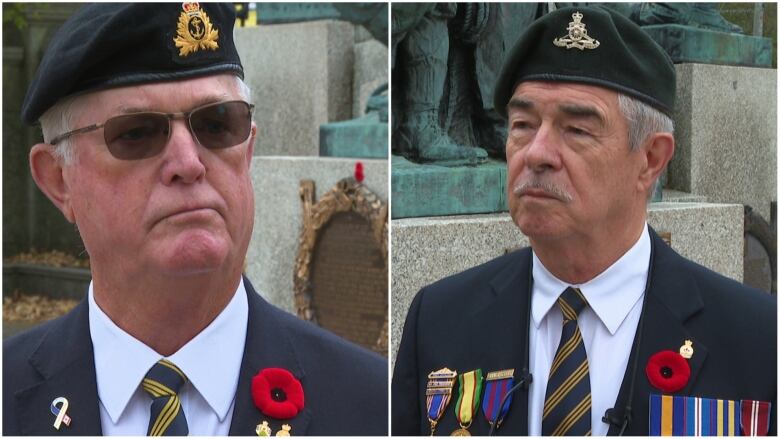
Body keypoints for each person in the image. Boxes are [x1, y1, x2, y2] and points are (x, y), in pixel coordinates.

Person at [3, 4, 386, 436]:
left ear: (249, 151)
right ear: (59, 180)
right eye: (136, 132)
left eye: (217, 124)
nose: (188, 162)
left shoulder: (374, 405)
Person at [392, 5, 776, 436]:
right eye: (522, 124)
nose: (535, 153)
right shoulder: (439, 319)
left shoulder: (759, 340)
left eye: (576, 130)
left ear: (651, 160)